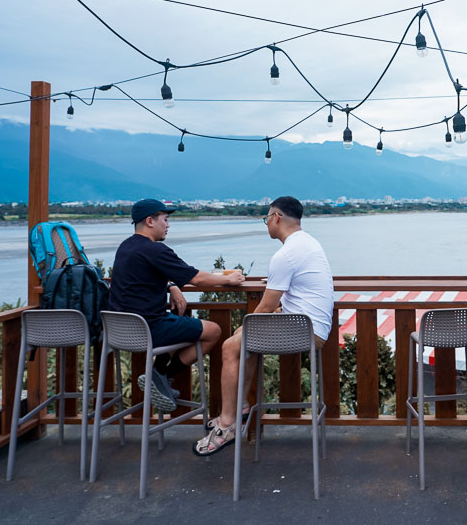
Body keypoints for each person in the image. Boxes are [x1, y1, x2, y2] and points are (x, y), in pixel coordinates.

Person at [194, 195, 334, 456]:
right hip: (313, 329)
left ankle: (227, 424)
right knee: (245, 343)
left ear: (276, 217)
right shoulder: (309, 243)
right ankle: (242, 408)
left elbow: (267, 307)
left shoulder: (286, 254)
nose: (267, 223)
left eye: (266, 218)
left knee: (229, 345)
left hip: (302, 332)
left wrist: (242, 329)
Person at [109, 198, 245, 412]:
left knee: (181, 324)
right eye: (166, 219)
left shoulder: (125, 247)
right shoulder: (156, 250)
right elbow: (197, 278)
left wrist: (171, 286)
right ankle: (161, 375)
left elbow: (145, 275)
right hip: (150, 329)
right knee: (213, 331)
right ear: (150, 221)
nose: (168, 225)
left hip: (120, 331)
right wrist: (229, 280)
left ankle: (159, 374)